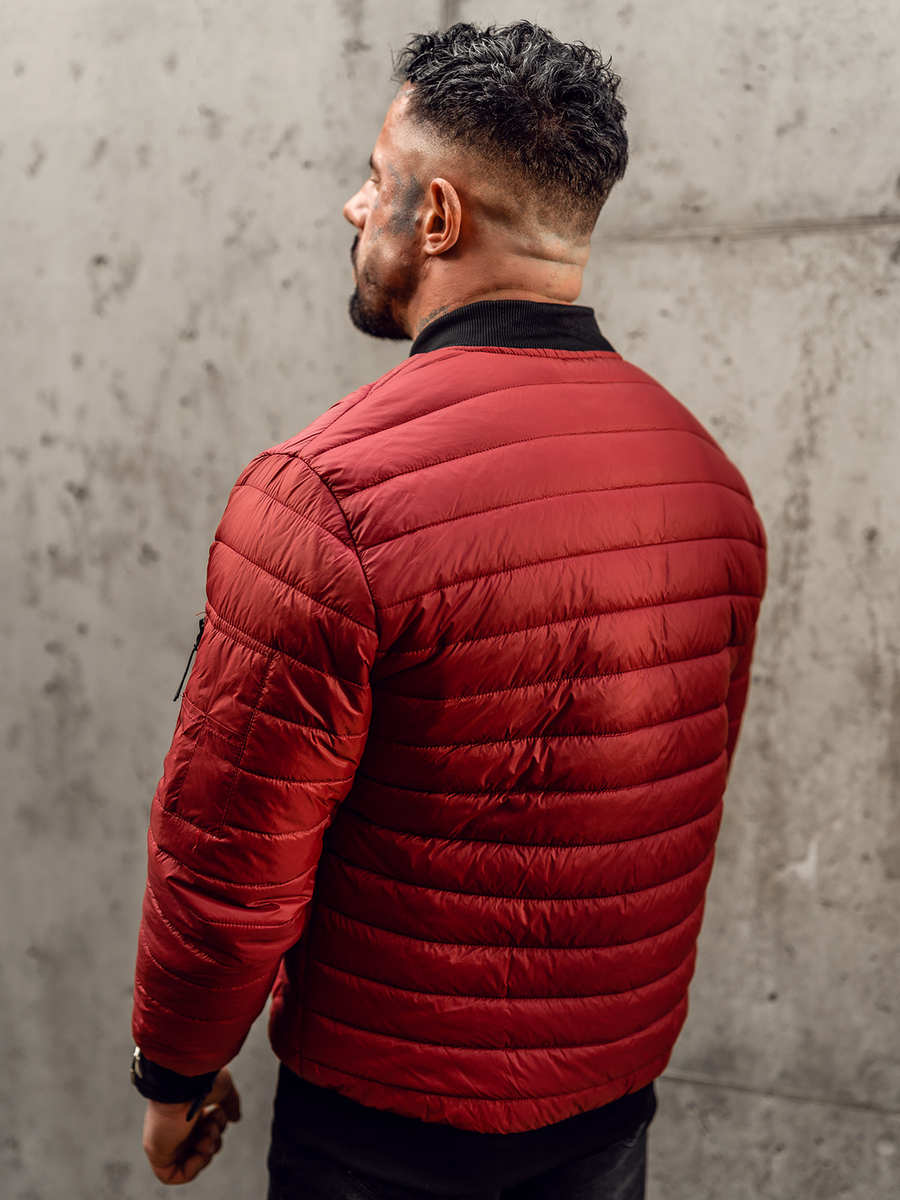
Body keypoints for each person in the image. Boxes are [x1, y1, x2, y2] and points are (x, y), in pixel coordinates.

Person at [131, 21, 766, 1199]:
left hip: (382, 1137)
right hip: (606, 1115)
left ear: (436, 217)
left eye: (375, 177)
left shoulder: (325, 498)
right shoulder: (709, 486)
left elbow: (229, 860)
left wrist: (174, 1073)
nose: (352, 205)